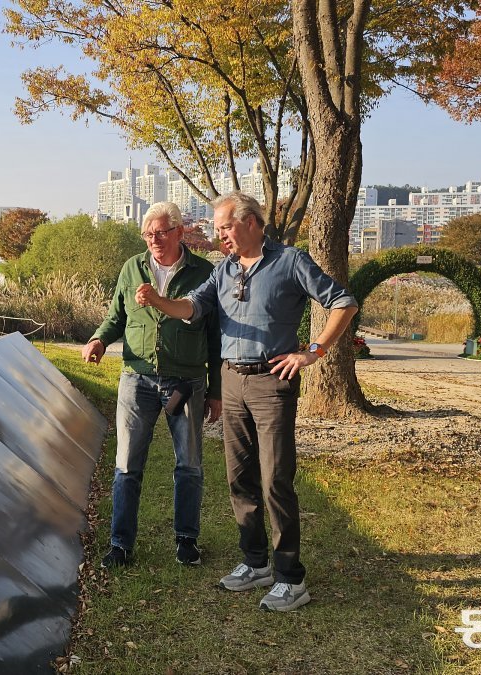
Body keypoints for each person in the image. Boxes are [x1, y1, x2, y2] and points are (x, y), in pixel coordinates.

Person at [135, 191, 358, 612]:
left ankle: (291, 578)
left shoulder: (290, 262)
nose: (221, 236)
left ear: (251, 223)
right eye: (218, 229)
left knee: (275, 480)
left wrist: (313, 350)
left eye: (225, 228)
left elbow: (343, 302)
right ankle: (255, 563)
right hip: (231, 380)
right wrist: (160, 302)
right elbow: (193, 307)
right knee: (239, 478)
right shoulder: (225, 270)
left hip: (272, 384)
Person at [82, 201, 222, 569]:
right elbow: (116, 317)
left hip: (187, 381)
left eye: (161, 232)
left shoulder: (204, 272)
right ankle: (120, 544)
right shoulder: (132, 268)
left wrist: (216, 391)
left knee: (189, 464)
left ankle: (187, 541)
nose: (154, 239)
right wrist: (99, 340)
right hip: (137, 378)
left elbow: (215, 337)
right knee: (126, 464)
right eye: (148, 234)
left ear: (179, 232)